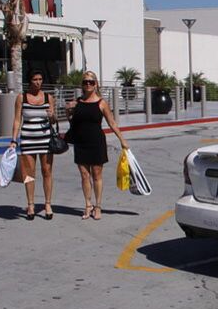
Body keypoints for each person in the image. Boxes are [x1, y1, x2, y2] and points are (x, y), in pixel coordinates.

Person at [65, 70, 129, 220]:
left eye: (91, 82)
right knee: (84, 175)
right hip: (81, 142)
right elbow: (73, 123)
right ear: (82, 85)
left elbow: (112, 122)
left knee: (96, 175)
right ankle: (88, 205)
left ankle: (98, 206)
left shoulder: (102, 103)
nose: (88, 84)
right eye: (85, 82)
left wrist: (122, 140)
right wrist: (68, 111)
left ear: (96, 84)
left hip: (96, 142)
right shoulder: (78, 102)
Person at [8, 71, 56, 220]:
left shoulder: (49, 97)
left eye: (40, 79)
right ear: (29, 81)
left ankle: (48, 204)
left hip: (46, 140)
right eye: (35, 79)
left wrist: (52, 115)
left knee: (47, 171)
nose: (38, 82)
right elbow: (17, 120)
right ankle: (31, 204)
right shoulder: (21, 98)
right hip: (28, 140)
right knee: (29, 173)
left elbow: (54, 120)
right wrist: (14, 140)